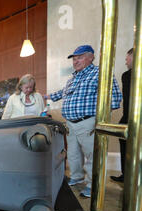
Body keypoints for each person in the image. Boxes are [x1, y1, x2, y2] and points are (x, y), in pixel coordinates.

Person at [46, 45, 122, 198]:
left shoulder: (99, 73)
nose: (75, 61)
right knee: (73, 154)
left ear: (91, 57)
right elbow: (63, 93)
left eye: (79, 57)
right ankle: (77, 176)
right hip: (71, 124)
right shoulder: (73, 78)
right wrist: (46, 96)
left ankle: (93, 185)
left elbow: (114, 96)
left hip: (88, 121)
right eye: (74, 59)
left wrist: (101, 119)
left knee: (93, 155)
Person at [111, 48, 133, 182]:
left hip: (134, 116)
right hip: (127, 116)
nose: (125, 62)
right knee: (124, 141)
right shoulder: (126, 75)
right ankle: (126, 175)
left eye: (127, 58)